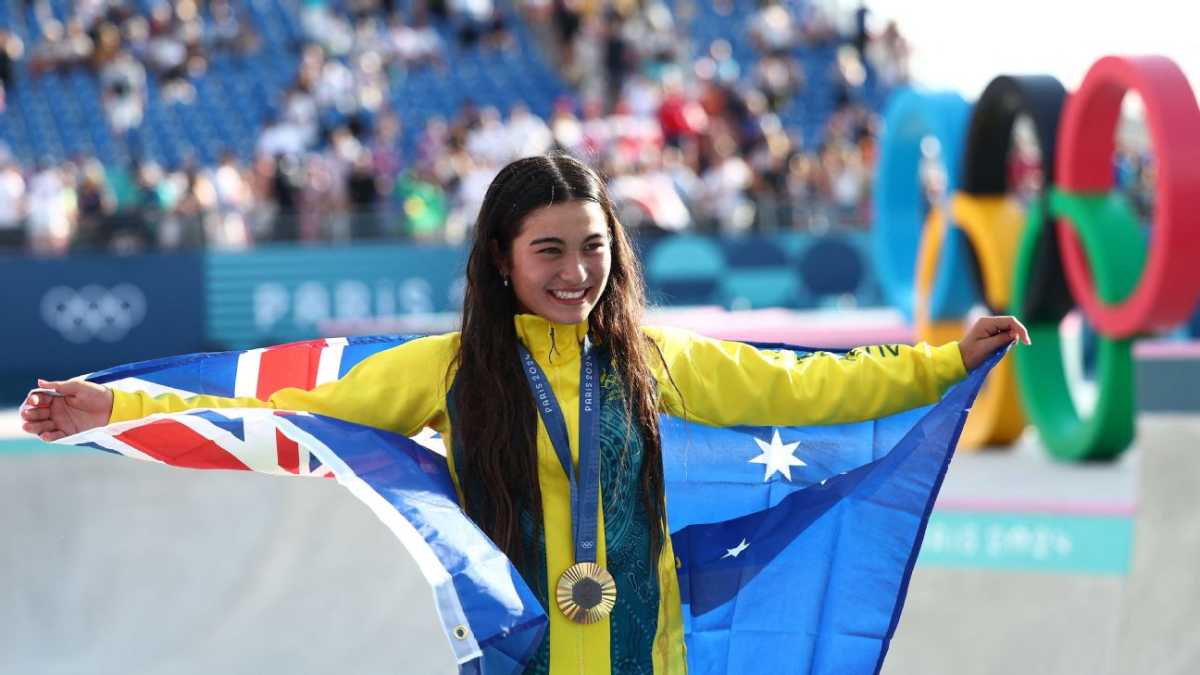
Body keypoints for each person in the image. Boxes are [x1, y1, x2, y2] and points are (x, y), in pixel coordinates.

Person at [21, 154, 1029, 673]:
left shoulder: (652, 362)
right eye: (549, 250)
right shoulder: (448, 369)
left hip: (647, 658)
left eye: (591, 247)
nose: (576, 271)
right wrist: (118, 405)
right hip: (521, 658)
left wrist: (942, 362)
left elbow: (807, 388)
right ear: (502, 258)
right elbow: (287, 418)